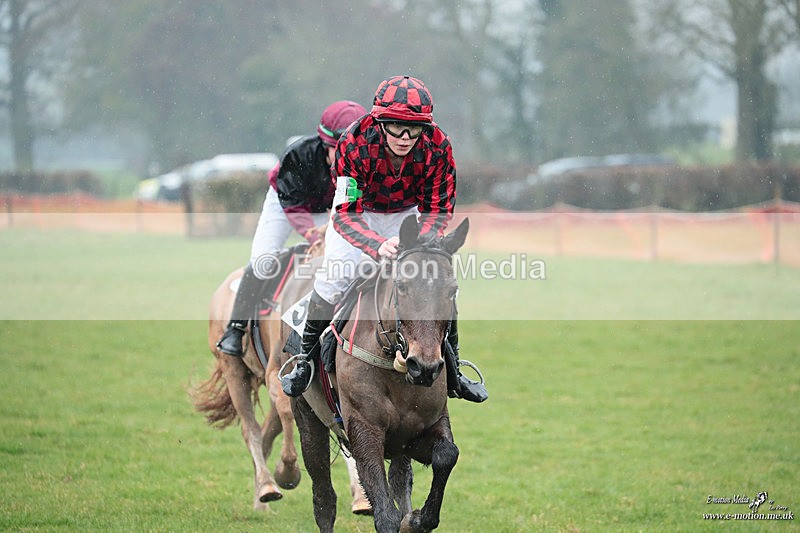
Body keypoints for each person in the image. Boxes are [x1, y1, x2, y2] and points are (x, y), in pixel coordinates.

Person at [280, 75, 488, 403]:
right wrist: (376, 244)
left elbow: (438, 208)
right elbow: (346, 213)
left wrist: (422, 243)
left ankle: (455, 368)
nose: (405, 137)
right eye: (396, 127)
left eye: (414, 129)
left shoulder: (439, 146)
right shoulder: (354, 142)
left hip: (406, 215)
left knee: (432, 281)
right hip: (358, 213)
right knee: (336, 277)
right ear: (379, 121)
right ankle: (304, 361)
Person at [217, 100, 367, 357]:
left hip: (328, 209)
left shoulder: (364, 161)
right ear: (325, 144)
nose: (345, 158)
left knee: (346, 263)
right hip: (285, 202)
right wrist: (311, 233)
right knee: (264, 260)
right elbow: (293, 204)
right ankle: (236, 328)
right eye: (338, 151)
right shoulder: (299, 154)